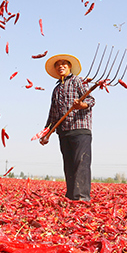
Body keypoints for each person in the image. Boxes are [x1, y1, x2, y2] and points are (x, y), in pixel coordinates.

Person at [40, 54, 95, 201]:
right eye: (58, 64)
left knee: (81, 163)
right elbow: (53, 114)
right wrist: (46, 133)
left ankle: (82, 198)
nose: (61, 66)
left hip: (80, 129)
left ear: (70, 67)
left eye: (64, 64)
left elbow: (90, 100)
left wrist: (80, 105)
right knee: (69, 165)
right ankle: (71, 197)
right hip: (63, 131)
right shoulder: (56, 89)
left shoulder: (78, 81)